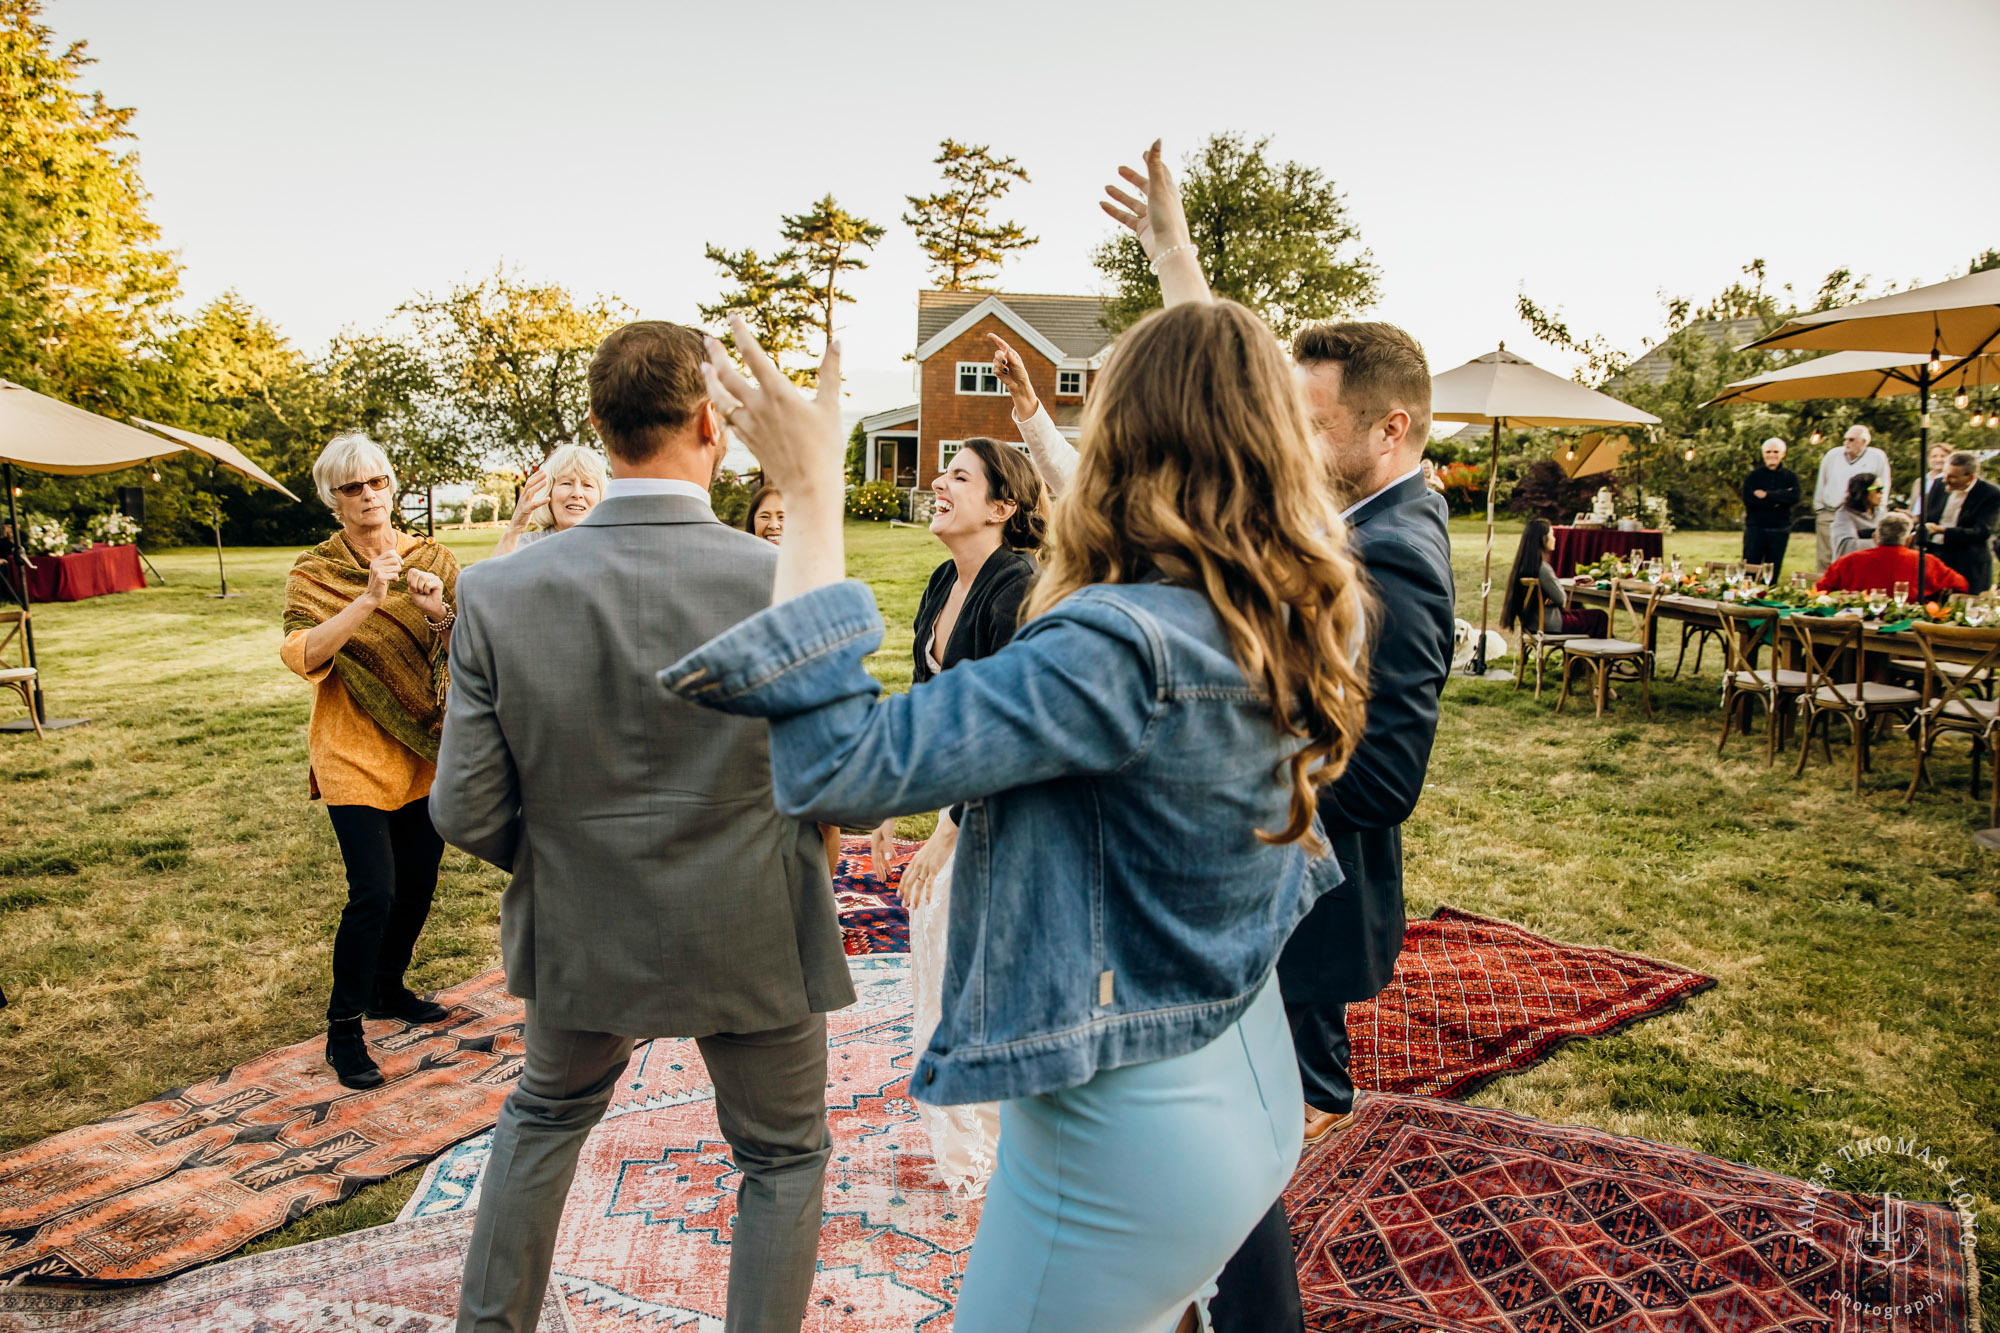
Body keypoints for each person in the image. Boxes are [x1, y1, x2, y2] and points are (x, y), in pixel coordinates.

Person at [677, 254, 1372, 1333]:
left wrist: (812, 494)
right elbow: (1226, 397)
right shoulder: (1278, 609)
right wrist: (1183, 281)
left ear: (1121, 444)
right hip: (1246, 1081)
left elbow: (837, 766)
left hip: (1125, 1133)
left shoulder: (1116, 648)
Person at [1092, 150, 1458, 1333]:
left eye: (1311, 425)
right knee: (1216, 1165)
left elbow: (1385, 774)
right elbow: (1222, 403)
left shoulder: (1395, 545)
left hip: (1292, 905)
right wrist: (1173, 265)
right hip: (1256, 907)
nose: (1286, 445)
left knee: (1235, 1176)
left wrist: (1216, 794)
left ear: (1389, 427)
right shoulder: (1344, 516)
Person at [434, 321, 854, 1333]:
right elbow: (853, 787)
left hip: (584, 921)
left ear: (598, 425)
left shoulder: (495, 589)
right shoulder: (782, 579)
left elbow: (463, 805)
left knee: (542, 1116)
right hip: (755, 923)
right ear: (714, 423)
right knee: (784, 1155)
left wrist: (573, 857)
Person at [866, 432, 1045, 1198]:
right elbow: (930, 705)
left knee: (978, 983)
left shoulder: (1019, 587)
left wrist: (950, 826)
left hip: (1015, 810)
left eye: (960, 476)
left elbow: (1015, 726)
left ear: (1002, 505)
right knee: (939, 969)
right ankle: (969, 1150)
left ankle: (1001, 1163)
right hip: (958, 795)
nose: (939, 481)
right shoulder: (945, 581)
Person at [280, 434, 460, 1091]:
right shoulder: (316, 569)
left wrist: (438, 607)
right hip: (349, 748)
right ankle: (344, 1030)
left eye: (376, 483)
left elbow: (467, 640)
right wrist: (366, 600)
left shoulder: (434, 557)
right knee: (374, 891)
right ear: (333, 499)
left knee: (417, 882)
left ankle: (388, 986)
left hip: (421, 748)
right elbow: (301, 653)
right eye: (351, 488)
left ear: (392, 487)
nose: (367, 497)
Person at [1501, 518, 1609, 639]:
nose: (1555, 539)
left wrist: (1548, 597)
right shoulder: (1543, 568)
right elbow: (1561, 599)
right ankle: (1596, 655)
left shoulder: (1523, 566)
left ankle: (1579, 657)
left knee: (1583, 612)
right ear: (1543, 539)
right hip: (1550, 624)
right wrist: (1552, 597)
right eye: (1551, 535)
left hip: (1531, 623)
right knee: (1600, 617)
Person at [492, 443, 607, 556]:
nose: (577, 493)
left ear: (601, 496)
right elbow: (495, 573)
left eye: (587, 485)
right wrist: (515, 528)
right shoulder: (526, 545)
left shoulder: (611, 547)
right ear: (549, 493)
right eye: (566, 483)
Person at [1813, 425, 1891, 574]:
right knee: (1825, 556)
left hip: (1863, 514)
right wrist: (1819, 508)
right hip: (1830, 511)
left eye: (1851, 439)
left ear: (1864, 442)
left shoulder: (1877, 456)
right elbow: (1821, 481)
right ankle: (1822, 589)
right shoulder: (1833, 455)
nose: (1846, 443)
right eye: (1845, 439)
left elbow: (1884, 484)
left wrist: (1880, 510)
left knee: (1855, 554)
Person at [1922, 450, 1999, 594]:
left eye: (1952, 477)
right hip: (1937, 555)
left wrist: (1942, 530)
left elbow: (1982, 532)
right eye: (1945, 474)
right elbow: (1929, 515)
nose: (1945, 479)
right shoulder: (1939, 484)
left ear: (1970, 477)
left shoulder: (1990, 493)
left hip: (1969, 561)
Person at [1740, 437, 1800, 580]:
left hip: (1780, 529)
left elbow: (1794, 497)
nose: (1772, 455)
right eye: (1768, 451)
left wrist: (1766, 495)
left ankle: (1768, 596)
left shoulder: (1790, 477)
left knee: (1773, 569)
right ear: (1763, 454)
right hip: (1756, 529)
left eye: (1775, 451)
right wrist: (1780, 499)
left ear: (1783, 454)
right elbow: (1749, 500)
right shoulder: (1753, 476)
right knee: (1750, 567)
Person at [1829, 473, 1883, 559]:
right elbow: (1846, 546)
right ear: (1863, 491)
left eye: (1882, 489)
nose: (1881, 493)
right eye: (1877, 489)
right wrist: (1882, 543)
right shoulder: (1844, 514)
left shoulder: (1881, 513)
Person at [1909, 441, 1952, 514]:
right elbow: (1913, 505)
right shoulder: (1919, 481)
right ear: (1928, 459)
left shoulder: (1951, 481)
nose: (1938, 460)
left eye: (1943, 456)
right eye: (1934, 456)